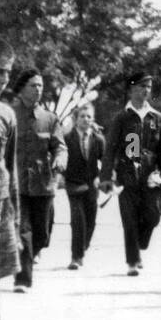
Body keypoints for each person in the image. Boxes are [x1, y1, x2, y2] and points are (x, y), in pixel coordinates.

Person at [101, 70, 161, 278]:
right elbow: (110, 149)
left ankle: (140, 243)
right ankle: (132, 260)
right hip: (127, 174)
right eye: (141, 86)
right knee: (129, 219)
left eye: (148, 87)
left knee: (153, 214)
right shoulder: (122, 117)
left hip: (150, 176)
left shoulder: (156, 117)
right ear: (132, 89)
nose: (146, 90)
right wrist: (105, 177)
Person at [12, 68, 68, 292]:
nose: (38, 90)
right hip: (16, 184)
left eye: (40, 86)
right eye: (33, 85)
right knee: (23, 230)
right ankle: (23, 278)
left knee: (42, 234)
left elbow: (60, 147)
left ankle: (30, 257)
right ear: (22, 88)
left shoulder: (49, 119)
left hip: (43, 185)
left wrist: (60, 159)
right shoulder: (9, 115)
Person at [64, 102, 104, 270]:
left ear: (92, 119)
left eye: (89, 116)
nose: (85, 119)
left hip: (92, 184)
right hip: (73, 184)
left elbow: (105, 161)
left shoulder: (99, 139)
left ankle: (83, 246)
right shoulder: (67, 138)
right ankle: (76, 256)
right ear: (76, 118)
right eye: (82, 116)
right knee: (77, 219)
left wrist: (104, 178)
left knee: (90, 221)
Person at [0, 44, 20, 284]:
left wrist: (16, 216)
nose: (4, 78)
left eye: (7, 71)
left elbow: (11, 166)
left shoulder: (6, 114)